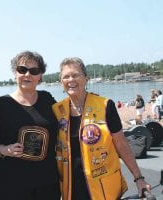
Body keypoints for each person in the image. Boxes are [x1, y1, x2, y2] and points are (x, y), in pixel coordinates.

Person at [52, 57, 151, 200]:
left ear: (85, 78)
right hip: (71, 187)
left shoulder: (105, 106)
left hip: (103, 186)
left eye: (75, 75)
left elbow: (121, 145)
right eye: (66, 76)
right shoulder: (56, 110)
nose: (70, 79)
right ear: (61, 81)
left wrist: (139, 178)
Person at [0, 51, 60, 200]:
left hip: (47, 183)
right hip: (12, 184)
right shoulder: (0, 104)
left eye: (34, 71)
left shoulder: (47, 99)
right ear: (15, 73)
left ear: (40, 76)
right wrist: (5, 150)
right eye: (22, 70)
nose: (28, 75)